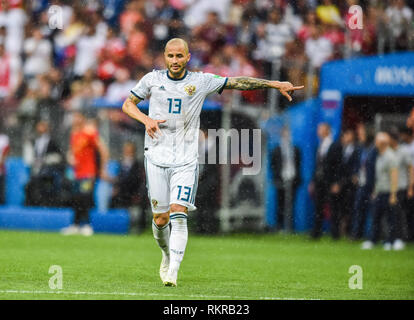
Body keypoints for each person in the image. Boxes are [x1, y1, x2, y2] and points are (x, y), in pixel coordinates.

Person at [122, 38, 304, 287]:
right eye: (170, 56)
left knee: (178, 213)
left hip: (186, 160)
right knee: (161, 218)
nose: (174, 61)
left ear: (188, 57)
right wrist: (146, 120)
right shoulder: (152, 80)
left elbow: (238, 82)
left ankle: (173, 272)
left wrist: (273, 84)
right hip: (155, 156)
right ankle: (165, 255)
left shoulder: (200, 81)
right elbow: (128, 104)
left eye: (179, 56)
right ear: (165, 57)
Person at [61, 112, 109, 236]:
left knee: (85, 197)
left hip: (88, 172)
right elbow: (72, 152)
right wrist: (70, 157)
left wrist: (103, 169)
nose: (75, 120)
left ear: (82, 119)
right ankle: (75, 225)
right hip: (77, 173)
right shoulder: (74, 134)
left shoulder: (89, 133)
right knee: (76, 198)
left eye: (77, 117)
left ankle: (87, 225)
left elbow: (103, 150)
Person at [362, 132, 398, 250]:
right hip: (379, 191)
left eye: (377, 141)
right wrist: (374, 191)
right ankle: (373, 240)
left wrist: (393, 194)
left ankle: (390, 241)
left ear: (383, 143)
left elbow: (394, 176)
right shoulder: (378, 155)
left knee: (390, 218)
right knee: (376, 217)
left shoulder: (390, 156)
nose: (375, 143)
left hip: (388, 192)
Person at [309, 123, 342, 239]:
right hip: (319, 180)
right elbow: (317, 165)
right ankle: (316, 233)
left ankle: (335, 234)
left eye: (320, 129)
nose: (318, 131)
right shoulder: (320, 145)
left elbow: (338, 165)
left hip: (330, 181)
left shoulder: (335, 145)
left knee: (334, 207)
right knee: (318, 207)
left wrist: (337, 182)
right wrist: (313, 181)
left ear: (327, 130)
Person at [24, 120, 65, 207]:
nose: (40, 128)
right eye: (39, 126)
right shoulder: (34, 141)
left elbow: (59, 156)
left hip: (49, 170)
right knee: (30, 184)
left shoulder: (53, 141)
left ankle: (48, 203)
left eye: (43, 126)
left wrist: (47, 160)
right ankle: (34, 203)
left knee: (46, 182)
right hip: (37, 169)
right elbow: (31, 157)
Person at [270, 126, 301, 233]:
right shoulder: (277, 149)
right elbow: (273, 165)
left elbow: (298, 164)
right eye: (285, 133)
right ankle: (280, 226)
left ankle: (290, 227)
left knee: (291, 205)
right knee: (280, 204)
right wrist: (278, 177)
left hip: (293, 180)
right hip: (281, 180)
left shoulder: (295, 149)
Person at [351, 124, 377, 240]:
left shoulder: (374, 148)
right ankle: (357, 235)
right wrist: (355, 174)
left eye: (361, 133)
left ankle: (373, 236)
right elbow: (357, 164)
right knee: (358, 209)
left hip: (371, 184)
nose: (359, 136)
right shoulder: (360, 148)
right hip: (361, 183)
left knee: (373, 211)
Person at [388, 128, 413, 250]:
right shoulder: (389, 152)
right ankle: (392, 238)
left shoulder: (403, 151)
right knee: (392, 214)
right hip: (390, 188)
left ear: (393, 139)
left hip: (401, 187)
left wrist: (411, 187)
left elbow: (411, 167)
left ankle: (400, 239)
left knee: (400, 214)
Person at [0, 123, 9, 205]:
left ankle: (2, 203)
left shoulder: (3, 138)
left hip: (1, 167)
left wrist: (1, 162)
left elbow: (5, 152)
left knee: (1, 188)